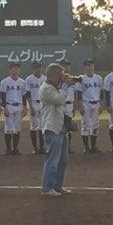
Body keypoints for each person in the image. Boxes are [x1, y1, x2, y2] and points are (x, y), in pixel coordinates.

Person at [40, 63, 76, 197]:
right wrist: (66, 86)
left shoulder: (55, 87)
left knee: (63, 160)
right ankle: (47, 188)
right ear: (53, 75)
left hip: (60, 128)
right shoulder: (46, 89)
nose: (63, 77)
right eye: (61, 75)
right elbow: (60, 100)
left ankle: (57, 186)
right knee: (53, 160)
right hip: (52, 128)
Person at [0, 61, 27, 155]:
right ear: (10, 69)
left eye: (17, 68)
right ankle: (8, 149)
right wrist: (5, 108)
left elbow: (24, 96)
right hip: (9, 106)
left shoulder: (22, 82)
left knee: (17, 128)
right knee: (8, 128)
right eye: (14, 68)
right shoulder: (4, 82)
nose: (16, 69)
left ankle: (15, 149)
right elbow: (3, 96)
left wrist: (25, 107)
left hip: (19, 106)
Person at [76, 59, 104, 153]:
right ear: (84, 67)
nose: (90, 67)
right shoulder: (81, 78)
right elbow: (79, 93)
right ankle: (86, 147)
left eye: (91, 65)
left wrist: (101, 104)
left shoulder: (98, 78)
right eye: (88, 65)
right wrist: (80, 106)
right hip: (86, 103)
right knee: (85, 125)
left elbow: (101, 92)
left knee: (95, 125)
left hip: (96, 103)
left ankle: (93, 146)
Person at [25, 61, 46, 154]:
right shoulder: (29, 79)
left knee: (43, 126)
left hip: (43, 103)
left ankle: (42, 147)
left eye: (39, 67)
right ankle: (35, 148)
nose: (38, 69)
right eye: (36, 67)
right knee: (33, 126)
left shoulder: (45, 79)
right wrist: (30, 107)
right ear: (33, 69)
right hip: (33, 103)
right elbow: (27, 94)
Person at [59, 60, 77, 153]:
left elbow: (75, 94)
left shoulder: (72, 79)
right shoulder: (58, 79)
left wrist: (74, 107)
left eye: (67, 65)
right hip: (61, 105)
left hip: (70, 105)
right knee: (59, 127)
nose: (66, 67)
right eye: (64, 65)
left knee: (68, 127)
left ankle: (67, 148)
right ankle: (59, 148)